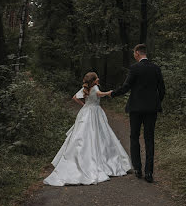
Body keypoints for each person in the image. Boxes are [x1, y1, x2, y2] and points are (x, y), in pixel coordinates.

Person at [43, 72, 131, 186]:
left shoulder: (86, 88)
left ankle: (77, 157)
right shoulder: (94, 88)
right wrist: (109, 93)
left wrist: (84, 105)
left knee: (83, 135)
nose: (98, 78)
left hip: (85, 112)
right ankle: (100, 158)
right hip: (94, 113)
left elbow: (75, 97)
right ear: (93, 81)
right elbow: (99, 94)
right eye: (96, 78)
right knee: (99, 134)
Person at [110, 44, 165, 183]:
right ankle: (149, 173)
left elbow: (126, 87)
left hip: (135, 109)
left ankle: (138, 169)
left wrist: (112, 94)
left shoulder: (134, 68)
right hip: (151, 109)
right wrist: (155, 102)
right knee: (149, 139)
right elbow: (162, 89)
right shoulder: (156, 68)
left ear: (137, 53)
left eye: (134, 53)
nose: (133, 55)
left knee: (134, 137)